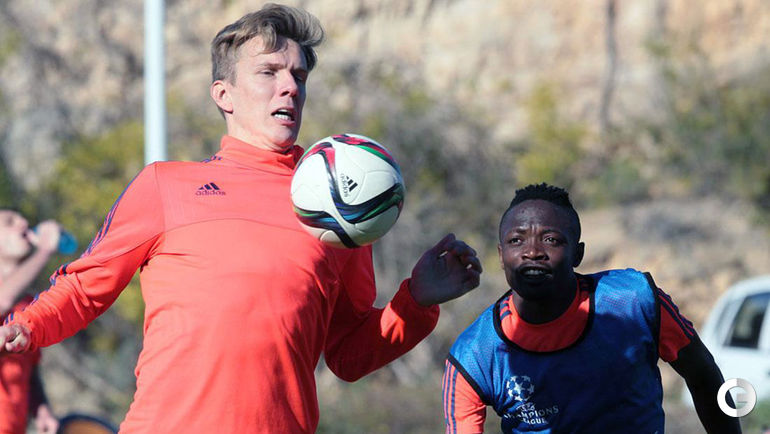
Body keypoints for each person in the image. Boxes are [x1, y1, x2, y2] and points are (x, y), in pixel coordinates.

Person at [0, 4, 482, 433]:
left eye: (298, 76)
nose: (290, 86)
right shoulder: (165, 185)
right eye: (269, 72)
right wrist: (27, 326)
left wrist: (416, 300)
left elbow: (348, 356)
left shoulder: (337, 211)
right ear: (223, 94)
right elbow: (84, 288)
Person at [442, 183, 741, 433]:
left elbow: (704, 376)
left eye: (551, 239)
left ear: (578, 254)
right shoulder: (473, 356)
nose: (532, 251)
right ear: (501, 255)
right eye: (516, 240)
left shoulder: (634, 301)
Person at [0, 209, 60, 434]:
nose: (23, 222)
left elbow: (29, 365)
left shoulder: (28, 303)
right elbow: (2, 300)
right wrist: (44, 251)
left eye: (23, 219)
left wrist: (41, 409)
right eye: (9, 222)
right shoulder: (7, 297)